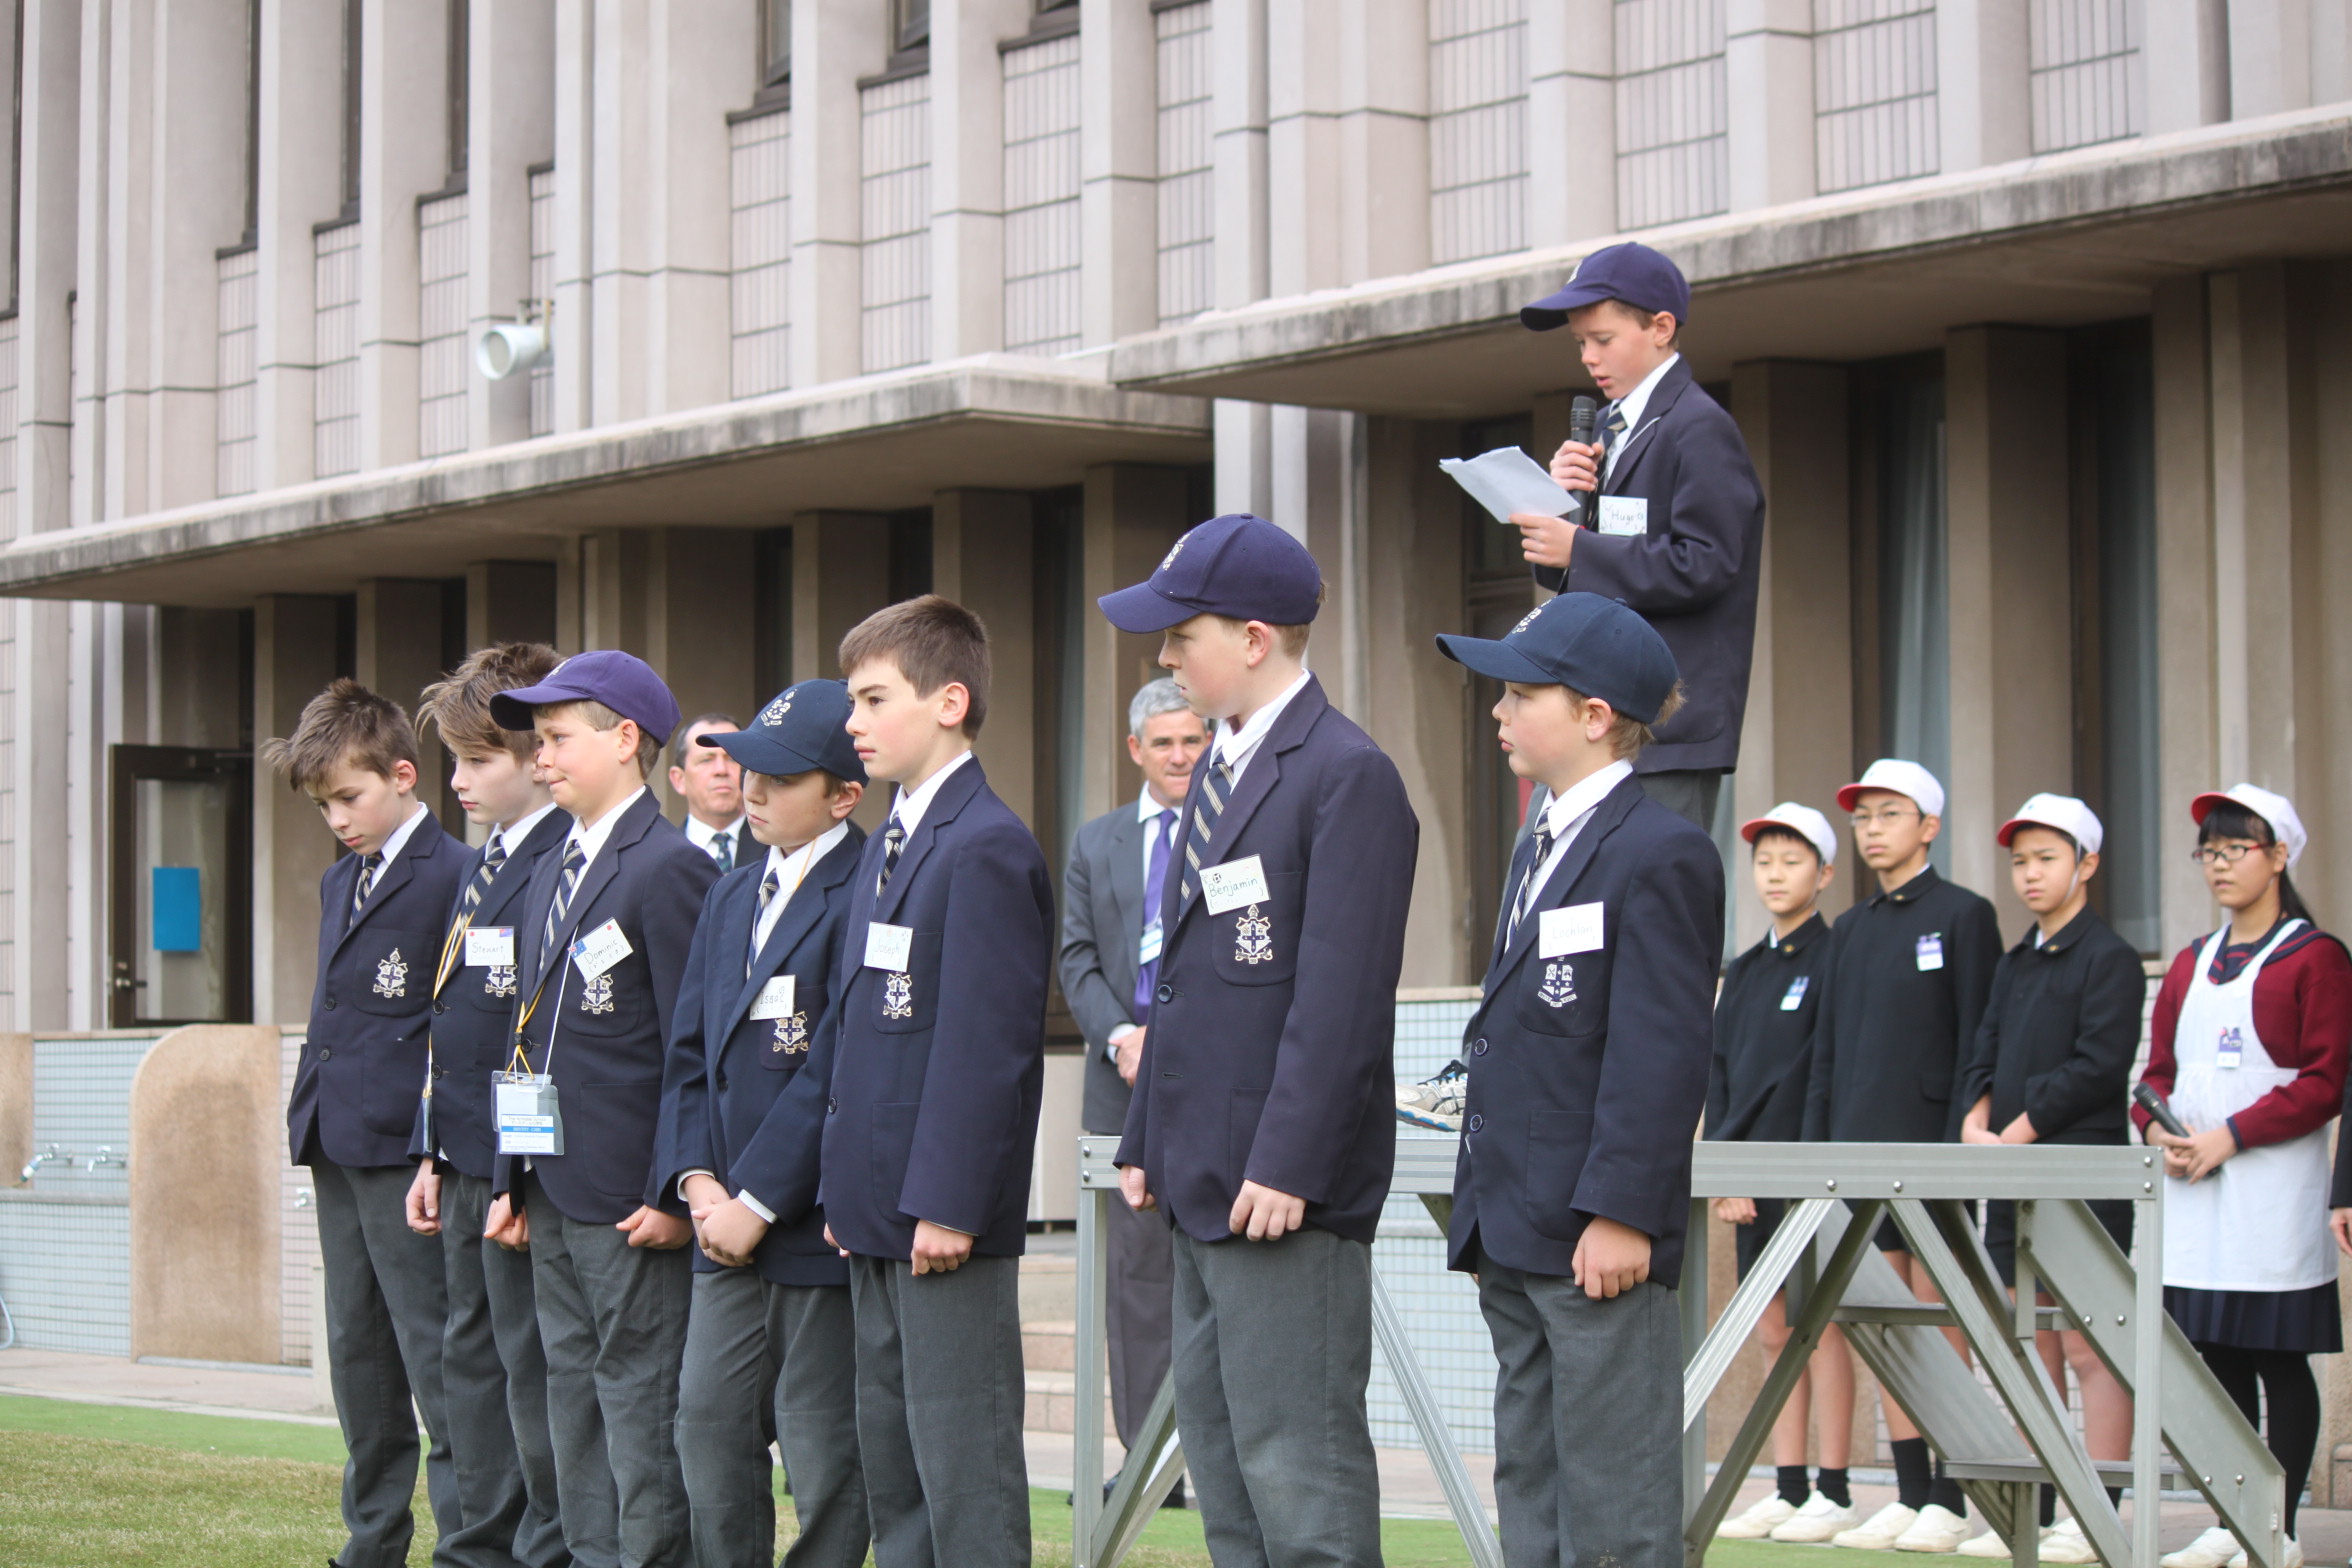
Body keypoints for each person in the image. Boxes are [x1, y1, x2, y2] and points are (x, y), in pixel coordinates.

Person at [1102, 513, 1420, 1567]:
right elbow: (1181, 978)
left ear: (1251, 638)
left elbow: (1342, 999)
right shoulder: (1220, 771)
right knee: (1228, 1469)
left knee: (1301, 1475)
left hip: (1279, 1190)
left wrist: (1288, 1160)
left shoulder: (1345, 772)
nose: (1164, 657)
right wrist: (1144, 1136)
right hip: (1199, 1180)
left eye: (1181, 635)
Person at [1434, 592, 1721, 1568]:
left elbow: (1660, 1050)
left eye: (1522, 694)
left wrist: (1625, 1211)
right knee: (1533, 1481)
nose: (1500, 710)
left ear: (1595, 715)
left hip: (1594, 1232)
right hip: (1513, 1222)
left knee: (1615, 1505)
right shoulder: (1538, 840)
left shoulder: (1661, 850)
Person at [820, 596, 1055, 1568]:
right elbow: (865, 1031)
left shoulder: (985, 843)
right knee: (897, 1470)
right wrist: (843, 1187)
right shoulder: (893, 840)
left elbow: (985, 1045)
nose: (854, 722)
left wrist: (950, 1203)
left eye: (875, 699)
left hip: (939, 1216)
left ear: (949, 702)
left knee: (965, 1475)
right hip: (875, 1207)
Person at [485, 650, 720, 1568]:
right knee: (571, 1398)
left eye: (555, 738)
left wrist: (674, 1188)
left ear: (626, 740)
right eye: (536, 742)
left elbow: (690, 1050)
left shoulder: (667, 868)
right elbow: (527, 1033)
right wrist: (510, 1177)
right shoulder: (554, 864)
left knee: (640, 1400)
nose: (539, 757)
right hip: (551, 1185)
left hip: (628, 1196)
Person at [655, 679, 872, 1568]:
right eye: (748, 770)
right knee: (706, 1426)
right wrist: (697, 1181)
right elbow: (689, 1053)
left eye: (781, 779)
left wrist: (756, 1198)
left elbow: (840, 1067)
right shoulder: (731, 893)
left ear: (843, 796)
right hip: (721, 1225)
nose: (752, 791)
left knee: (823, 1451)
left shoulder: (870, 887)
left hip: (810, 1223)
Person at [264, 679, 470, 1568]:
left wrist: (435, 1146)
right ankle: (373, 1542)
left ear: (402, 775)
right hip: (335, 1139)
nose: (337, 820)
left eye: (348, 797)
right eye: (323, 806)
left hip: (406, 1151)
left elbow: (454, 1029)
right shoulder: (337, 880)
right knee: (357, 1353)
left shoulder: (459, 876)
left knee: (435, 1352)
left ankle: (469, 1541)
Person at [2140, 785, 2349, 1568]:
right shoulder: (2191, 960)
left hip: (2271, 1189)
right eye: (2210, 852)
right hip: (2194, 1187)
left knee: (2275, 1357)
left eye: (2237, 849)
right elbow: (2156, 1072)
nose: (2219, 865)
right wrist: (2158, 1130)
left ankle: (2276, 1526)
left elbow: (2326, 1080)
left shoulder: (2315, 956)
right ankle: (2229, 1518)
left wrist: (2230, 1136)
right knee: (2213, 1355)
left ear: (2280, 855)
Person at [404, 643, 575, 1568]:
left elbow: (536, 1035)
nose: (459, 781)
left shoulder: (558, 860)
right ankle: (476, 1544)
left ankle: (535, 1546)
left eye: (478, 760)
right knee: (470, 1358)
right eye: (455, 760)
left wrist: (518, 1170)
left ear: (537, 758)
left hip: (520, 1162)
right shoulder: (488, 859)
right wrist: (433, 1149)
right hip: (466, 1149)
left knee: (529, 1364)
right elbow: (454, 1020)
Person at [1803, 758, 1999, 1554]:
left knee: (1939, 1311)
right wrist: (1815, 1152)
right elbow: (1826, 1050)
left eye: (1890, 814)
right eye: (1863, 817)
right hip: (1857, 1147)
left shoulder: (1964, 915)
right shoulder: (1849, 929)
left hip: (1932, 1151)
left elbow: (1979, 1038)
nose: (1872, 829)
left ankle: (1952, 1493)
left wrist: (1959, 1147)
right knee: (1884, 1320)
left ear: (1929, 827)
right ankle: (1911, 1489)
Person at [1506, 240, 1766, 833]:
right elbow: (1586, 569)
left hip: (1664, 731)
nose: (1589, 358)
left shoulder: (1699, 427)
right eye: (1580, 343)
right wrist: (1560, 509)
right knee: (1553, 881)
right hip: (1595, 721)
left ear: (1661, 328)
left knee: (1651, 885)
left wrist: (1580, 549)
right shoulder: (1608, 425)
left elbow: (1706, 563)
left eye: (1603, 339)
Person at [1952, 795, 2143, 1565]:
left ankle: (2101, 1513)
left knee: (2090, 1346)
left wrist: (2018, 1132)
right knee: (2030, 1344)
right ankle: (2042, 1507)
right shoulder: (2014, 960)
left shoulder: (2111, 958)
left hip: (2079, 1171)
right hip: (2011, 1170)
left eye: (2047, 859)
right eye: (2021, 862)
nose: (2030, 875)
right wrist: (1976, 1119)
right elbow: (1985, 1048)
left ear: (2087, 865)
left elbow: (2100, 1065)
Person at [1056, 675, 1209, 1500]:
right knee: (1140, 1279)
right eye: (1164, 744)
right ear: (1135, 751)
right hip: (1124, 1085)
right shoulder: (1097, 841)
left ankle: (1216, 1456)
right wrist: (1122, 1037)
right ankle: (1148, 1461)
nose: (1180, 756)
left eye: (1192, 740)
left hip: (1213, 1080)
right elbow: (1076, 959)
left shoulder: (1233, 827)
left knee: (1219, 1267)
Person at [1706, 803, 1857, 1546]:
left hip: (1811, 1171)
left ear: (1824, 875)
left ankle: (1835, 1488)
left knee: (1820, 1328)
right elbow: (1720, 1074)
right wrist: (1725, 1169)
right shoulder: (1745, 970)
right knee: (1771, 1331)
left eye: (1791, 861)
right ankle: (1787, 1484)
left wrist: (1814, 1169)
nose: (1774, 874)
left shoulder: (1837, 959)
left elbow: (1823, 1074)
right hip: (1750, 1176)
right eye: (1764, 861)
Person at [670, 712, 752, 873]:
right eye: (706, 760)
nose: (721, 770)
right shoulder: (661, 854)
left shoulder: (778, 847)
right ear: (679, 779)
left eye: (732, 758)